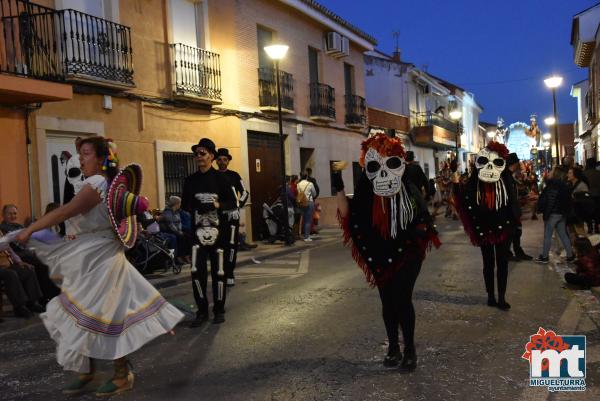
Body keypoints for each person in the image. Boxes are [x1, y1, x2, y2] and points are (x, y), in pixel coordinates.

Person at [14, 137, 184, 396]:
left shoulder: (97, 184)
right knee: (82, 315)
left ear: (103, 159)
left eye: (85, 153)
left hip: (100, 259)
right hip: (90, 258)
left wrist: (31, 228)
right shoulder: (95, 184)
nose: (80, 159)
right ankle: (88, 370)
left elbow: (65, 212)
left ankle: (120, 374)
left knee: (105, 316)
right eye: (80, 154)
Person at [333, 133, 440, 373]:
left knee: (402, 298)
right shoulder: (365, 189)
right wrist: (337, 184)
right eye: (374, 165)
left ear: (399, 162)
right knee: (387, 301)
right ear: (366, 166)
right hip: (380, 253)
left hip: (406, 252)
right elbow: (349, 215)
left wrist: (418, 233)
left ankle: (410, 349)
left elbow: (423, 219)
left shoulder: (409, 188)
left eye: (390, 162)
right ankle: (394, 347)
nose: (382, 171)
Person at [453, 142, 519, 310]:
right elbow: (463, 198)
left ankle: (502, 297)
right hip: (484, 228)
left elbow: (512, 201)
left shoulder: (505, 180)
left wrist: (514, 222)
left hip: (503, 227)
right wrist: (455, 181)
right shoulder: (474, 183)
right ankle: (491, 296)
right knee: (488, 263)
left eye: (496, 162)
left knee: (502, 262)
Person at [182, 138, 237, 326]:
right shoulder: (190, 180)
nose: (199, 157)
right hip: (197, 234)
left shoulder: (222, 179)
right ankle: (202, 311)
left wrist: (216, 204)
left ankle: (219, 310)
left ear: (211, 156)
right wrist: (195, 206)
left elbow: (233, 203)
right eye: (196, 153)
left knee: (218, 272)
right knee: (196, 272)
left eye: (202, 153)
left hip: (218, 235)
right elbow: (184, 205)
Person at [1, 204, 61, 303]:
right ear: (3, 215)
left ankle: (55, 294)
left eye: (15, 213)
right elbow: (10, 246)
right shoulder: (2, 228)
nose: (13, 216)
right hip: (18, 254)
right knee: (42, 264)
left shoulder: (19, 226)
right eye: (10, 214)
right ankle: (46, 297)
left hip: (27, 252)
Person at [216, 147, 250, 287]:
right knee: (218, 246)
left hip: (232, 217)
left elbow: (244, 192)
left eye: (225, 159)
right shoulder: (213, 176)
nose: (222, 162)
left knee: (231, 246)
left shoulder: (235, 176)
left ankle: (230, 273)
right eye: (219, 159)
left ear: (228, 161)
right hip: (216, 217)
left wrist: (238, 206)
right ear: (216, 161)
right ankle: (220, 272)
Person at [535, 166, 575, 263]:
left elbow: (550, 201)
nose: (550, 172)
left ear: (556, 173)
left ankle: (544, 256)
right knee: (563, 234)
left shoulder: (552, 185)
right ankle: (570, 255)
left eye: (552, 171)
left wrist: (546, 214)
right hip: (562, 213)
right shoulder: (565, 185)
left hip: (553, 213)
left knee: (547, 235)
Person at [0, 232, 45, 318]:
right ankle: (19, 307)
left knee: (27, 270)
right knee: (11, 274)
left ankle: (32, 303)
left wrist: (20, 262)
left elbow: (10, 250)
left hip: (6, 264)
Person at [505, 153, 532, 261]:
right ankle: (508, 253)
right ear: (514, 164)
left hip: (513, 209)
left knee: (516, 232)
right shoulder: (506, 176)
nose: (519, 165)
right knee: (511, 233)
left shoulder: (510, 175)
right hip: (510, 210)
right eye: (518, 163)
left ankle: (517, 252)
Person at [160, 196, 191, 264]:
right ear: (176, 204)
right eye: (179, 203)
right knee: (181, 237)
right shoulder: (167, 212)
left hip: (176, 230)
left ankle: (186, 255)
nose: (180, 205)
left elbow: (179, 222)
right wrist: (179, 232)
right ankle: (178, 257)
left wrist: (180, 230)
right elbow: (170, 225)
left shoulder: (176, 211)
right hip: (168, 231)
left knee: (188, 235)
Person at [296, 173, 317, 242]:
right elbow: (314, 194)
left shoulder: (298, 184)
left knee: (304, 220)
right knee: (308, 220)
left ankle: (304, 234)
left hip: (301, 203)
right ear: (307, 177)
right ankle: (306, 237)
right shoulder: (310, 184)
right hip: (309, 202)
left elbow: (298, 193)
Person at [583, 158, 600, 233]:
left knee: (588, 213)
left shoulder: (584, 174)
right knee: (597, 213)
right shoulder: (598, 173)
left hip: (587, 196)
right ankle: (596, 227)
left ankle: (590, 227)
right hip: (598, 196)